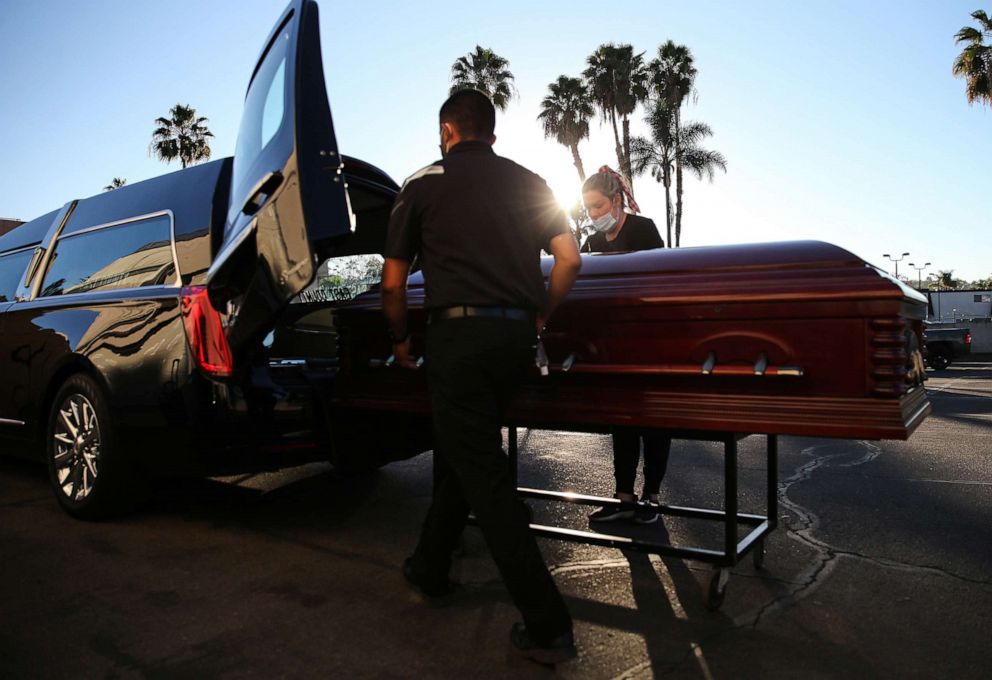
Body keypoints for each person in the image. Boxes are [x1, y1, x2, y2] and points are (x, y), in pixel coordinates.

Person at [381, 89, 582, 664]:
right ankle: (429, 566)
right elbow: (570, 259)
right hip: (514, 340)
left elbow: (393, 284)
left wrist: (399, 340)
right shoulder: (531, 182)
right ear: (490, 132)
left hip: (457, 342)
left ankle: (548, 624)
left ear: (447, 131)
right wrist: (541, 311)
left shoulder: (421, 183)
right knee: (467, 453)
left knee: (483, 475)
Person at [581, 167, 672, 525]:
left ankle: (651, 498)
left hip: (650, 341)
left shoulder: (643, 229)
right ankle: (624, 497)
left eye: (598, 207)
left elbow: (660, 279)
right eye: (588, 209)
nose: (593, 216)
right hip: (613, 346)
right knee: (622, 421)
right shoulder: (592, 244)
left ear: (616, 201)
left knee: (654, 421)